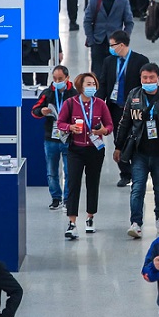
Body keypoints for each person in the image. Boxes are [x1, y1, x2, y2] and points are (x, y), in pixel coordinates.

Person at [116, 63, 159, 238]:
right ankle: (136, 222)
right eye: (145, 78)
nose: (148, 81)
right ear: (140, 79)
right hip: (139, 152)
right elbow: (125, 122)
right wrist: (118, 145)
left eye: (151, 78)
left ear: (158, 78)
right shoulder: (134, 95)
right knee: (137, 188)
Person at [56, 73, 114, 239]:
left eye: (93, 84)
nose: (91, 87)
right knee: (73, 183)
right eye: (88, 84)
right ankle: (72, 222)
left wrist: (103, 131)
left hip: (95, 149)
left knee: (92, 182)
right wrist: (70, 127)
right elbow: (60, 123)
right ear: (80, 86)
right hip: (76, 149)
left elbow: (109, 125)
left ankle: (90, 217)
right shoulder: (70, 103)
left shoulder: (100, 104)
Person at [98, 30, 149, 188]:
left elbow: (145, 85)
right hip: (114, 106)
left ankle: (138, 171)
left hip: (134, 108)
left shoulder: (140, 60)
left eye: (112, 45)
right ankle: (125, 173)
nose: (110, 48)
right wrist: (99, 104)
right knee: (119, 139)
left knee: (136, 139)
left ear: (121, 45)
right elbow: (104, 82)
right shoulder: (109, 61)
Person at [31, 65, 78, 210]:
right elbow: (34, 110)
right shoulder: (47, 93)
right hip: (50, 138)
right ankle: (56, 198)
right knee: (52, 171)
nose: (57, 81)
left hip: (68, 138)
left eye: (60, 79)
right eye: (55, 79)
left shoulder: (74, 94)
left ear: (67, 78)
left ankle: (68, 199)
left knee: (69, 172)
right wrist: (42, 111)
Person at [84, 0, 135, 77]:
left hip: (116, 43)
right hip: (98, 42)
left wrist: (124, 39)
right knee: (97, 72)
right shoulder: (94, 1)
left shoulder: (123, 2)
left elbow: (129, 22)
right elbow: (87, 21)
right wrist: (91, 40)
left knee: (114, 71)